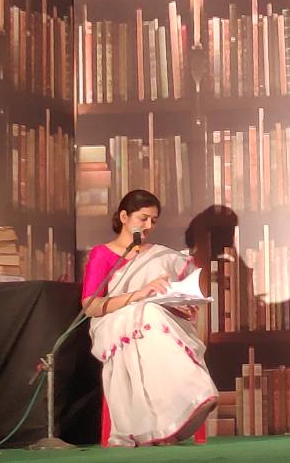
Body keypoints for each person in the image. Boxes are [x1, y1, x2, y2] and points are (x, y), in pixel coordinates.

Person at [81, 189, 217, 446]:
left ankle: (170, 421)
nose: (148, 226)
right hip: (114, 321)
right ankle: (192, 394)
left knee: (153, 316)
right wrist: (139, 295)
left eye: (153, 221)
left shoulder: (161, 255)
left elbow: (189, 288)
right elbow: (91, 306)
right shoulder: (103, 254)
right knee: (148, 313)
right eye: (143, 219)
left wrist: (181, 302)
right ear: (124, 217)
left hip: (157, 320)